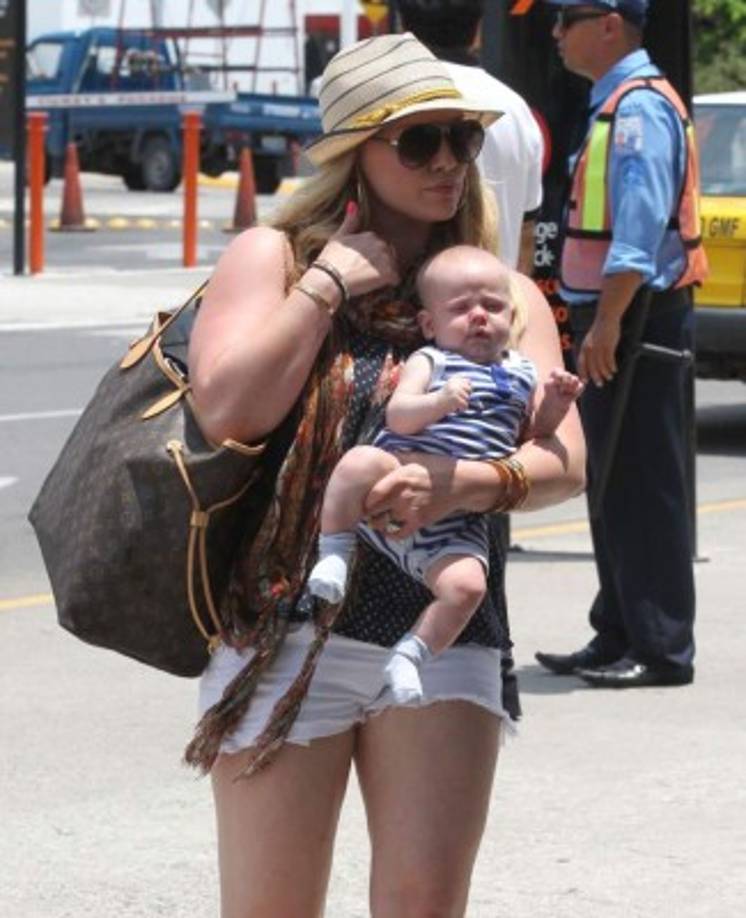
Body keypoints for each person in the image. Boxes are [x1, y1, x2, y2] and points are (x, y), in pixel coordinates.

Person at [186, 33, 585, 917]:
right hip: (288, 626)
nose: (448, 162)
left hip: (441, 638)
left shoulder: (498, 292)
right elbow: (229, 410)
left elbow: (566, 462)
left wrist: (463, 486)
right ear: (354, 155)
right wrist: (328, 284)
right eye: (419, 141)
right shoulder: (277, 257)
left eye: (463, 139)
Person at [309, 245, 583, 704]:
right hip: (392, 478)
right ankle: (334, 550)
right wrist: (439, 401)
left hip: (458, 518)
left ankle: (411, 654)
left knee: (467, 586)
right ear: (430, 326)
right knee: (357, 464)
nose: (479, 316)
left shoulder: (517, 370)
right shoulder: (432, 361)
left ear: (511, 316)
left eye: (493, 307)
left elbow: (535, 434)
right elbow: (399, 417)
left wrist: (556, 402)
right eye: (461, 309)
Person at [535, 0, 708, 689]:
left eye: (564, 19)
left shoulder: (637, 110)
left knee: (644, 483)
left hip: (635, 318)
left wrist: (607, 323)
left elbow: (637, 235)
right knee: (611, 479)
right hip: (616, 315)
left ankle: (661, 647)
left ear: (608, 24)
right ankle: (618, 630)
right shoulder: (615, 103)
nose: (553, 33)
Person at [397, 0, 545, 274]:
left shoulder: (392, 104)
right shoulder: (515, 109)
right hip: (499, 302)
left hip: (407, 306)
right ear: (478, 30)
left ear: (403, 30)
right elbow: (526, 233)